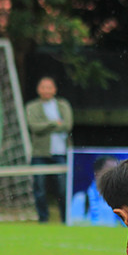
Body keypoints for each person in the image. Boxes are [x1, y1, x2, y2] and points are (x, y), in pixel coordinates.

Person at [25, 77, 73, 223]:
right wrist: (53, 123)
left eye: (49, 87)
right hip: (40, 153)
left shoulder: (63, 105)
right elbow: (34, 127)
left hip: (60, 153)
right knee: (39, 188)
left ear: (54, 90)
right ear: (38, 89)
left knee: (63, 188)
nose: (46, 90)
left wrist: (46, 125)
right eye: (43, 87)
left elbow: (67, 125)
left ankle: (66, 219)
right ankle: (43, 219)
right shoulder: (32, 107)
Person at [86, 155, 122, 226]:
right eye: (110, 170)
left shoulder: (124, 199)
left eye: (117, 170)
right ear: (97, 173)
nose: (115, 175)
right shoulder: (81, 199)